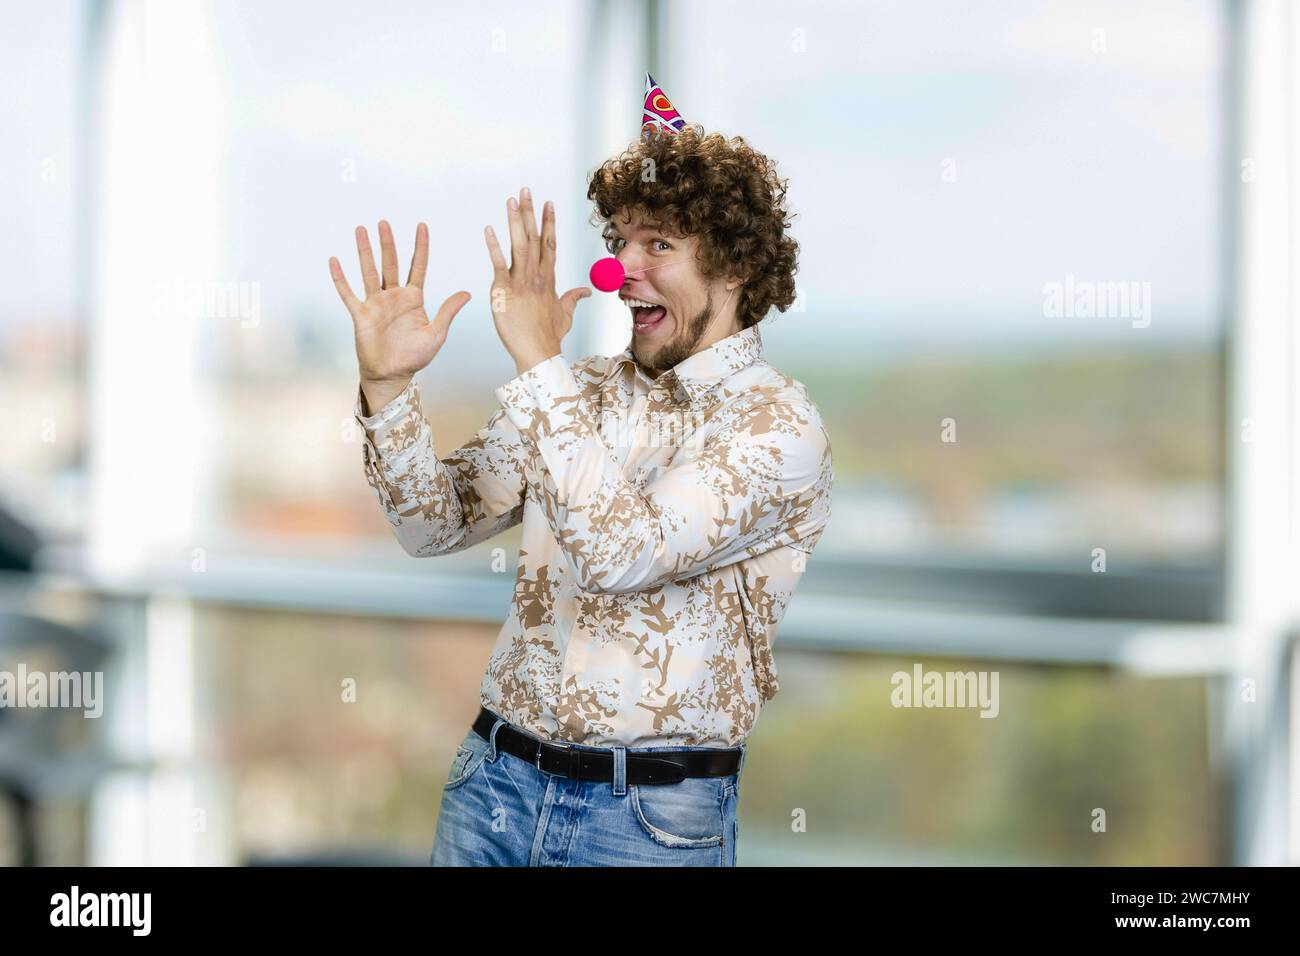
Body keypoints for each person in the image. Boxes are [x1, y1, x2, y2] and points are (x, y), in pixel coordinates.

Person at [328, 109, 833, 866]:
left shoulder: (779, 426)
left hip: (649, 824)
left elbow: (623, 554)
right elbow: (430, 525)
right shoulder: (575, 393)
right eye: (617, 241)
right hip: (491, 787)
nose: (617, 269)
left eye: (657, 243)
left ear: (735, 268)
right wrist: (388, 386)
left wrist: (537, 364)